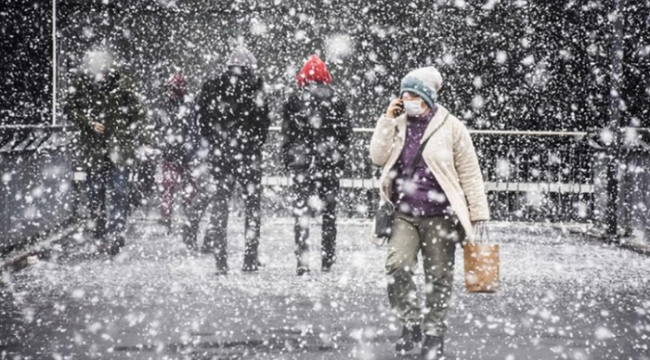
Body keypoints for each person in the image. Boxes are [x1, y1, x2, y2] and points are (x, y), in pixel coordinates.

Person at [369, 67, 490, 358]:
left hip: (440, 215)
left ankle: (434, 335)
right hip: (404, 213)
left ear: (426, 97)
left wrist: (478, 214)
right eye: (404, 95)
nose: (407, 100)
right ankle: (411, 323)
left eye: (413, 95)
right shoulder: (397, 124)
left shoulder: (451, 127)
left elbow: (470, 173)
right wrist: (387, 119)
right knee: (397, 266)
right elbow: (377, 156)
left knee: (438, 277)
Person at [194, 47, 270, 274]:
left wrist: (217, 142)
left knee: (220, 205)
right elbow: (263, 122)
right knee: (252, 207)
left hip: (221, 155)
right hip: (248, 156)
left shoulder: (212, 86)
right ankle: (250, 258)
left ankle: (221, 261)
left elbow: (202, 120)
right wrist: (253, 144)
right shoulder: (256, 87)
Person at [66, 52, 145, 255]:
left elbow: (139, 113)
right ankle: (101, 234)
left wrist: (124, 131)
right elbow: (70, 108)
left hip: (118, 148)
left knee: (119, 192)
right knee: (95, 195)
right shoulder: (82, 85)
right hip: (94, 150)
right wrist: (89, 122)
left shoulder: (124, 85)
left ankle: (116, 234)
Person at [281, 54, 351, 275]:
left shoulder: (294, 99)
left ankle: (302, 261)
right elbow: (344, 135)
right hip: (328, 163)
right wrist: (339, 158)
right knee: (329, 214)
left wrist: (289, 158)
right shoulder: (337, 99)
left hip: (302, 164)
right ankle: (327, 260)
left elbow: (287, 133)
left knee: (301, 213)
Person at [151, 73, 196, 233]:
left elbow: (191, 128)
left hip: (182, 153)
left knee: (184, 188)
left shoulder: (186, 105)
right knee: (169, 187)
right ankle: (169, 218)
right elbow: (159, 127)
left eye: (172, 89)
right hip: (174, 153)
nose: (169, 92)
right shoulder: (169, 105)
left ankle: (186, 216)